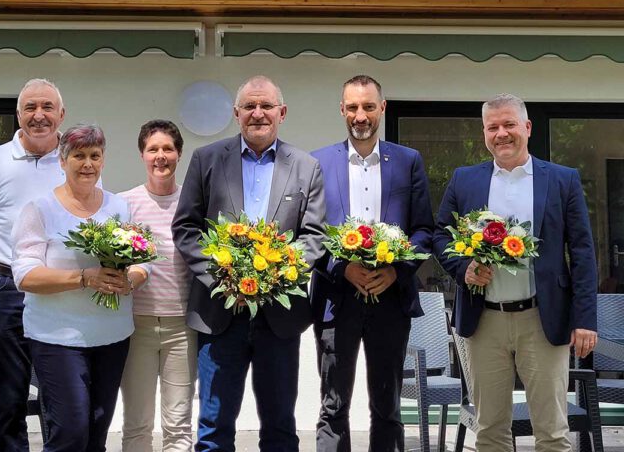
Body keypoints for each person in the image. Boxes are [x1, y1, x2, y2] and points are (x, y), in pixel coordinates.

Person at [432, 93, 598, 452]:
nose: (501, 134)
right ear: (484, 133)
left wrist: (585, 319)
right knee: (490, 432)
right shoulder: (464, 180)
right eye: (492, 127)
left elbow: (583, 253)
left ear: (527, 127)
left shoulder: (562, 180)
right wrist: (464, 268)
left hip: (543, 319)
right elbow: (440, 236)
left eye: (509, 124)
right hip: (483, 322)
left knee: (552, 432)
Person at [172, 75, 326, 452]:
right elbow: (186, 228)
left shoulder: (306, 167)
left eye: (266, 106)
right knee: (214, 426)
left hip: (279, 317)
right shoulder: (206, 159)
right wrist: (222, 277)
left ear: (282, 113)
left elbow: (314, 236)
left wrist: (276, 275)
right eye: (250, 106)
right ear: (236, 113)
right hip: (219, 314)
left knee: (280, 426)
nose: (258, 113)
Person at [310, 75, 434, 452]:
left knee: (387, 407)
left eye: (367, 106)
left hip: (390, 299)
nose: (360, 115)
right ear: (341, 110)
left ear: (382, 108)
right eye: (352, 107)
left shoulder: (408, 161)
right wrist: (342, 267)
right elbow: (309, 232)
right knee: (333, 406)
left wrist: (396, 271)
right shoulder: (317, 162)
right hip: (336, 300)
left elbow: (424, 230)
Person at [11, 124, 149, 452]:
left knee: (97, 431)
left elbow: (143, 261)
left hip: (112, 337)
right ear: (62, 161)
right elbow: (25, 275)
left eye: (95, 156)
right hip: (58, 338)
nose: (87, 164)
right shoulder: (40, 209)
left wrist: (130, 280)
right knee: (70, 432)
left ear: (103, 161)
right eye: (79, 156)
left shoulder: (119, 207)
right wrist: (84, 278)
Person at [0, 78, 67, 452]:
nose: (39, 115)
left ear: (62, 114)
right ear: (18, 114)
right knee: (8, 399)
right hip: (5, 287)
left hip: (60, 288)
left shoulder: (75, 160)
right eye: (30, 108)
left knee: (61, 395)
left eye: (47, 107)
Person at [120, 120, 196, 452]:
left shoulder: (193, 203)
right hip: (136, 325)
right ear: (142, 154)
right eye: (153, 149)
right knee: (137, 424)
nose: (160, 156)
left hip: (183, 326)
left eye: (168, 149)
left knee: (178, 425)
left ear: (179, 154)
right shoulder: (124, 204)